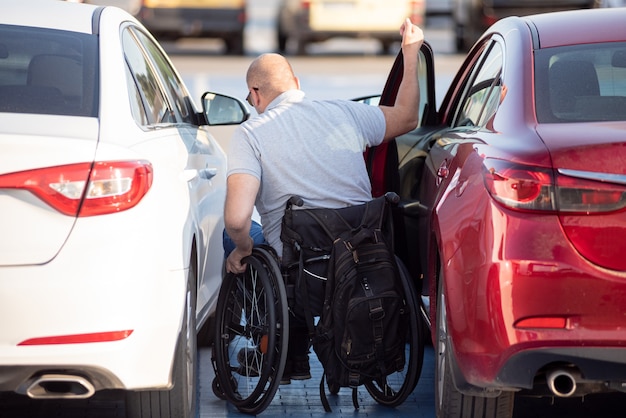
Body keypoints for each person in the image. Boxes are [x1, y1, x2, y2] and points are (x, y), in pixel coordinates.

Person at [223, 18, 424, 384]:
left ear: (254, 94)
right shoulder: (346, 112)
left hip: (304, 268)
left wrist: (240, 247)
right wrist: (410, 55)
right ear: (297, 84)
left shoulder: (251, 133)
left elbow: (237, 219)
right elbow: (408, 117)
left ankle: (282, 351)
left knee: (237, 241)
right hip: (364, 255)